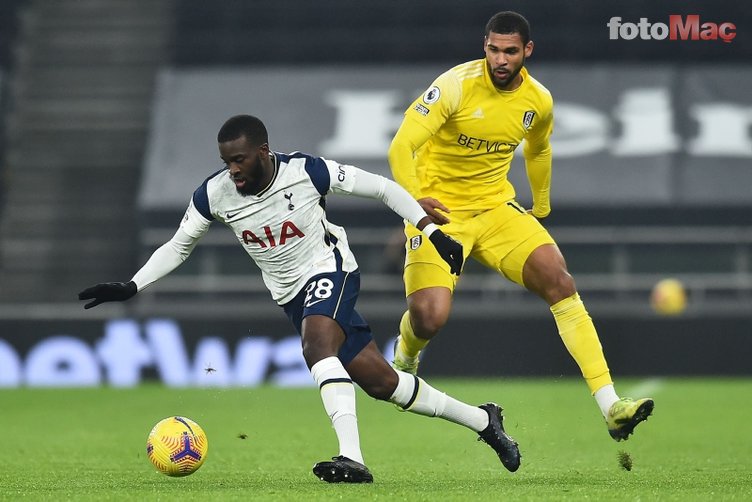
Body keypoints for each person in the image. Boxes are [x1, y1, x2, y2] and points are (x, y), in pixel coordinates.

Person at [78, 114, 521, 483]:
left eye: (239, 159)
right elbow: (178, 246)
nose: (232, 169)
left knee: (316, 348)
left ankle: (354, 458)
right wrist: (133, 285)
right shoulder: (213, 194)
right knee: (383, 383)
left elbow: (383, 188)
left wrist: (430, 230)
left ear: (263, 153)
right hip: (292, 295)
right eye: (226, 161)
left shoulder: (307, 172)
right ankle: (485, 420)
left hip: (332, 270)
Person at [388, 11, 653, 442]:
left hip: (496, 209)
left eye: (510, 51)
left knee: (560, 281)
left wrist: (541, 206)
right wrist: (416, 202)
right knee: (429, 317)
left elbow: (538, 149)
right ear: (485, 46)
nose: (500, 59)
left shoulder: (538, 101)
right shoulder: (454, 86)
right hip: (439, 213)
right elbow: (402, 145)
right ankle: (406, 356)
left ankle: (611, 405)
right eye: (493, 49)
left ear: (527, 51)